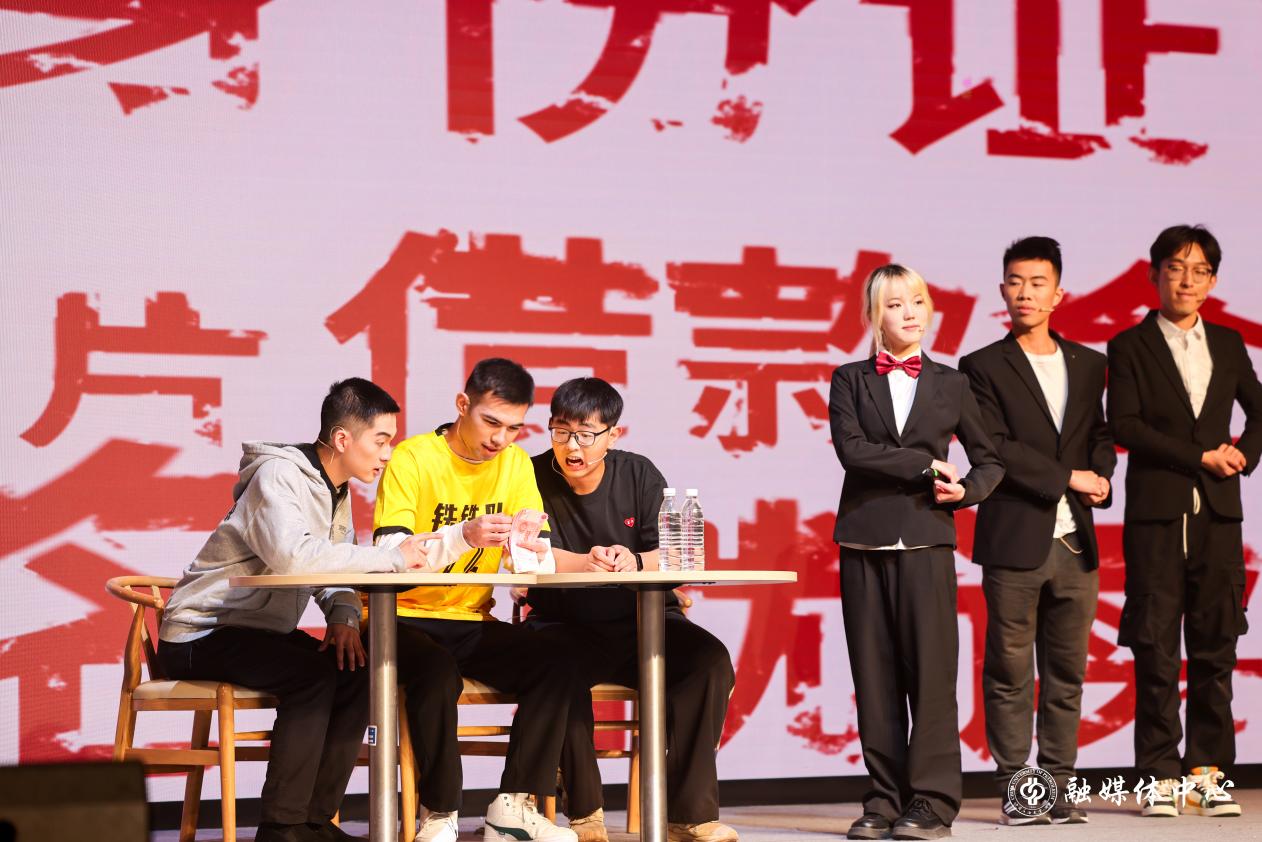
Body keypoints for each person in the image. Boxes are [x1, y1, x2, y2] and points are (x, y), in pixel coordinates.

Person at [158, 377, 432, 842]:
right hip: (200, 632)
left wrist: (343, 616)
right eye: (380, 441)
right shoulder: (278, 476)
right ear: (343, 439)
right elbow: (294, 557)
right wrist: (393, 558)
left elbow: (333, 565)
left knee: (355, 671)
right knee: (312, 677)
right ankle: (281, 828)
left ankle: (314, 821)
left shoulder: (335, 490)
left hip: (254, 632)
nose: (387, 454)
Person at [371, 358, 591, 842]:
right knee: (435, 672)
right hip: (400, 618)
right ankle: (439, 812)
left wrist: (526, 553)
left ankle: (512, 806)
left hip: (469, 618)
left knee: (557, 661)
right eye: (491, 422)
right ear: (462, 405)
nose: (500, 439)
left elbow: (535, 558)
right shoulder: (413, 458)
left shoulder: (515, 465)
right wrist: (463, 536)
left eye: (513, 429)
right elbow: (389, 553)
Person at [829, 264, 1004, 841]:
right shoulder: (850, 379)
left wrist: (966, 491)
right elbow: (853, 451)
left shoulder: (952, 383)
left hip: (927, 540)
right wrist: (927, 464)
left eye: (918, 301)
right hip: (864, 540)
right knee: (873, 676)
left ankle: (931, 802)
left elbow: (989, 461)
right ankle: (883, 799)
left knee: (931, 676)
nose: (910, 312)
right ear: (873, 315)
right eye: (894, 304)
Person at [522, 377, 738, 842]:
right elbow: (528, 553)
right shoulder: (529, 475)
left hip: (644, 621)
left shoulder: (638, 474)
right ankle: (586, 815)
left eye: (585, 434)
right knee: (555, 667)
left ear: (612, 434)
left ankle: (689, 815)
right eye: (561, 432)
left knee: (708, 662)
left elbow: (677, 554)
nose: (572, 446)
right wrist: (585, 562)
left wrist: (636, 561)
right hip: (564, 621)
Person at [959, 237, 1115, 826]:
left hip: (1076, 543)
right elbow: (993, 446)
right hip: (1014, 537)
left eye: (1037, 282)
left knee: (1067, 672)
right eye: (1015, 281)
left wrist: (1102, 474)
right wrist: (1068, 476)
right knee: (1009, 670)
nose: (1025, 292)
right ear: (1002, 290)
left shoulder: (1089, 363)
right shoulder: (981, 366)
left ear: (1058, 294)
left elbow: (1098, 434)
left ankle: (1058, 785)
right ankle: (1017, 788)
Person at [1108, 224, 1261, 818]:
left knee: (1215, 646)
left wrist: (1243, 455)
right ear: (1154, 275)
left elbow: (1260, 412)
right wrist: (1200, 456)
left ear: (1213, 281)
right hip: (1157, 516)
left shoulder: (1228, 341)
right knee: (1155, 649)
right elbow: (1125, 424)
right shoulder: (1129, 345)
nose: (1187, 280)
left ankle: (1208, 776)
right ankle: (1158, 780)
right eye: (1175, 268)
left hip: (1219, 516)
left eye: (1200, 271)